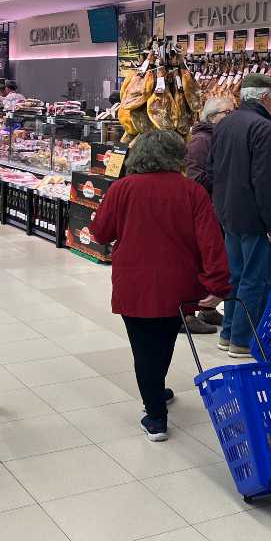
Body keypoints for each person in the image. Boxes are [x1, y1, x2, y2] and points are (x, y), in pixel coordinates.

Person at [87, 130, 231, 441]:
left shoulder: (121, 188)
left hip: (133, 281)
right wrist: (218, 285)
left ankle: (155, 415)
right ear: (178, 157)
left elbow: (99, 232)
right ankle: (156, 391)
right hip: (178, 283)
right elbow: (211, 242)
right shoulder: (192, 192)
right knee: (164, 341)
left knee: (143, 348)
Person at [209, 73, 271, 358]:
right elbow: (268, 181)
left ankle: (229, 332)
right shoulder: (266, 129)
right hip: (256, 219)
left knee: (236, 276)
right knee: (255, 280)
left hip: (229, 214)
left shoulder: (225, 124)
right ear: (265, 96)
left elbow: (214, 170)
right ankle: (243, 341)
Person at [181, 94, 237, 334]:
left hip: (215, 207)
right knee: (198, 262)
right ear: (213, 117)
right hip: (203, 210)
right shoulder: (202, 141)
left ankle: (207, 308)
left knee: (211, 261)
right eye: (228, 113)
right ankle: (188, 313)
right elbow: (196, 178)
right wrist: (224, 174)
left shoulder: (218, 138)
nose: (232, 116)